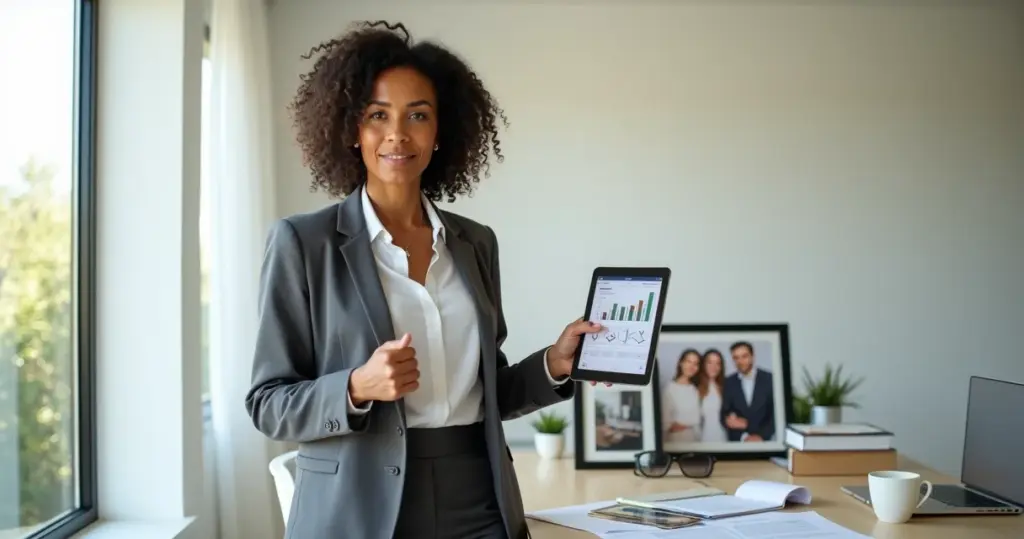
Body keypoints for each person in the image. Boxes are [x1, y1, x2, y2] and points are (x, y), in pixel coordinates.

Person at [243, 20, 605, 539]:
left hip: (479, 495)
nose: (397, 133)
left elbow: (486, 388)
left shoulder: (475, 242)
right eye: (377, 116)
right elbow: (267, 402)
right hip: (360, 505)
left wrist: (554, 363)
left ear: (440, 132)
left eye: (418, 115)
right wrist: (355, 387)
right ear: (351, 129)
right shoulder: (303, 243)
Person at [719, 341, 775, 442]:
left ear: (752, 356)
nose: (740, 361)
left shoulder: (770, 379)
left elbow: (775, 414)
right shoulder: (728, 382)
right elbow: (724, 416)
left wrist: (761, 436)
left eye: (744, 356)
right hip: (739, 443)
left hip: (766, 442)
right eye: (736, 358)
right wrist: (744, 437)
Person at [661, 349, 703, 443]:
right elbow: (666, 423)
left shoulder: (695, 389)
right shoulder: (670, 389)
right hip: (678, 440)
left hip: (696, 440)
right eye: (688, 362)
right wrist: (687, 425)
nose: (692, 366)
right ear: (681, 363)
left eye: (695, 364)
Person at [697, 348, 727, 442]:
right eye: (710, 362)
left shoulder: (726, 387)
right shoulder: (696, 387)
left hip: (724, 438)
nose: (714, 367)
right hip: (703, 439)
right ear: (703, 365)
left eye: (718, 363)